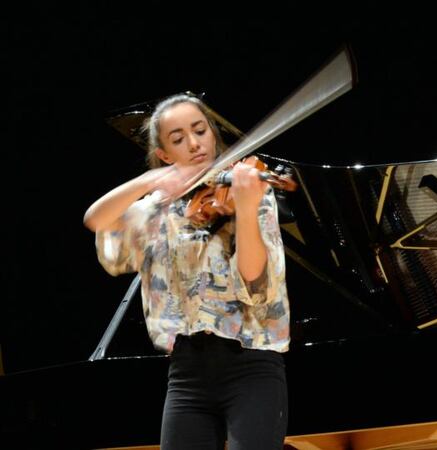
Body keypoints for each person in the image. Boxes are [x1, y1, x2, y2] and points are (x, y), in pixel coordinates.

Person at [83, 93, 290, 450]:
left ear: (212, 133)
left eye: (200, 131)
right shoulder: (155, 212)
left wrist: (245, 206)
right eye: (178, 139)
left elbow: (255, 280)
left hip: (251, 364)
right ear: (164, 154)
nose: (195, 144)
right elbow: (95, 219)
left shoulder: (249, 191)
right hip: (186, 376)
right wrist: (151, 181)